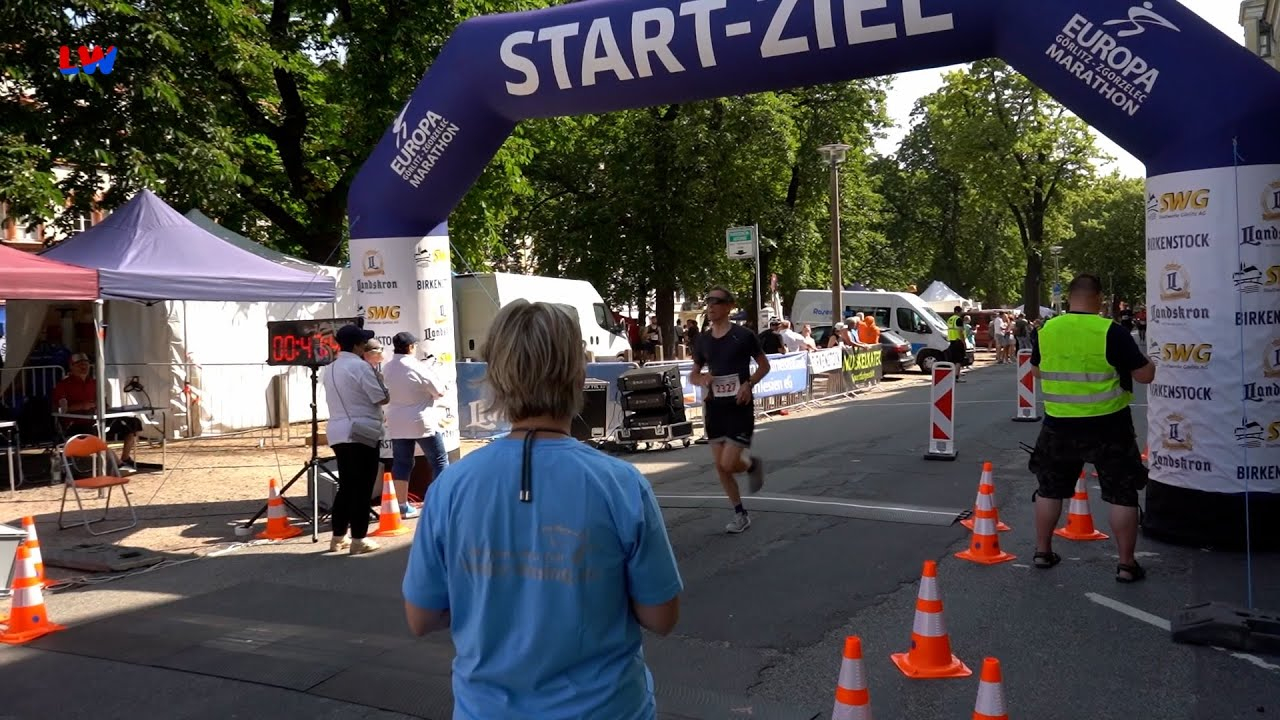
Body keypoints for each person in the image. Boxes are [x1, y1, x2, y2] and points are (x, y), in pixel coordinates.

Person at [403, 300, 682, 720]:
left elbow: (422, 617)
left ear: (495, 376)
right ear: (578, 374)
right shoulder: (620, 485)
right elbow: (660, 616)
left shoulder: (450, 488)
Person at [1029, 274, 1155, 583]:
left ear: (1070, 297)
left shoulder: (1046, 330)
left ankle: (1042, 551)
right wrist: (1149, 362)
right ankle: (1126, 565)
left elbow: (1035, 371)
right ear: (1098, 298)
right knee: (1122, 494)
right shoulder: (1112, 331)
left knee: (1049, 489)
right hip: (1108, 425)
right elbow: (1144, 377)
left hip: (1058, 424)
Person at [690, 286, 770, 534]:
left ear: (729, 306)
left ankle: (749, 465)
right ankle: (740, 514)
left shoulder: (743, 335)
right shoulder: (702, 340)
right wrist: (701, 379)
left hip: (739, 407)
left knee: (728, 463)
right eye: (708, 301)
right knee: (721, 467)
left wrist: (748, 384)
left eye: (716, 301)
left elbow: (764, 366)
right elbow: (693, 374)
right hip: (714, 408)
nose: (710, 306)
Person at [322, 324, 389, 555]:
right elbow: (381, 398)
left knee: (347, 486)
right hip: (362, 429)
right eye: (363, 342)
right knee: (362, 487)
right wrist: (380, 380)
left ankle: (337, 536)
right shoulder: (361, 367)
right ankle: (358, 539)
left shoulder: (328, 369)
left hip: (338, 429)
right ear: (358, 345)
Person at [382, 331, 449, 517]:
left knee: (402, 463)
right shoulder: (418, 367)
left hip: (396, 421)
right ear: (411, 347)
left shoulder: (388, 367)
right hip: (421, 420)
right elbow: (439, 391)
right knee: (439, 460)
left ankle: (401, 506)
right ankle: (439, 503)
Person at [52, 352, 144, 474]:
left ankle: (125, 457)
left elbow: (104, 403)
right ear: (71, 366)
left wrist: (104, 407)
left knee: (133, 423)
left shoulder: (95, 383)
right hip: (76, 424)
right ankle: (119, 465)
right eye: (79, 364)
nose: (83, 366)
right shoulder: (63, 385)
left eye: (86, 363)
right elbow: (61, 409)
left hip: (98, 419)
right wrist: (82, 406)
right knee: (96, 434)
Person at [946, 307, 968, 380]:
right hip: (958, 341)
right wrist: (964, 342)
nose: (961, 313)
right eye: (961, 312)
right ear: (957, 311)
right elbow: (960, 332)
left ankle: (953, 375)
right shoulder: (958, 319)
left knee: (953, 360)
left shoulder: (950, 319)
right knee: (959, 360)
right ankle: (957, 377)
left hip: (951, 341)